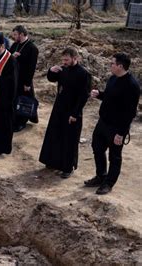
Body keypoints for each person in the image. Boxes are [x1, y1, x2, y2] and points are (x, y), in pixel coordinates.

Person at [84, 53, 140, 195]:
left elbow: (130, 113)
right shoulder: (113, 78)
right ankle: (100, 176)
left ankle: (108, 183)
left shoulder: (132, 85)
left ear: (120, 66)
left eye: (112, 63)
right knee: (97, 148)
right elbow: (110, 97)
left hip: (117, 127)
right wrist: (100, 95)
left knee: (114, 156)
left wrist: (121, 133)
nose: (110, 65)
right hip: (103, 122)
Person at [39, 47, 90, 178]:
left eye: (67, 60)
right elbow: (51, 78)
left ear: (75, 58)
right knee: (55, 135)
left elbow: (83, 96)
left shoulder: (83, 74)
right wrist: (51, 71)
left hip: (72, 111)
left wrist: (75, 114)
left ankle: (68, 167)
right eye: (63, 59)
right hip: (59, 108)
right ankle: (52, 161)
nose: (64, 62)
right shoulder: (63, 69)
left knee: (69, 140)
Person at [9, 25, 39, 132]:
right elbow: (8, 56)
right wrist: (13, 56)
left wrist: (27, 83)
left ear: (22, 34)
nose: (13, 37)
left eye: (15, 35)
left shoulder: (32, 48)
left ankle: (21, 122)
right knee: (16, 100)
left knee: (24, 101)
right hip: (14, 78)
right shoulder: (15, 45)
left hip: (24, 80)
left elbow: (31, 68)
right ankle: (15, 120)